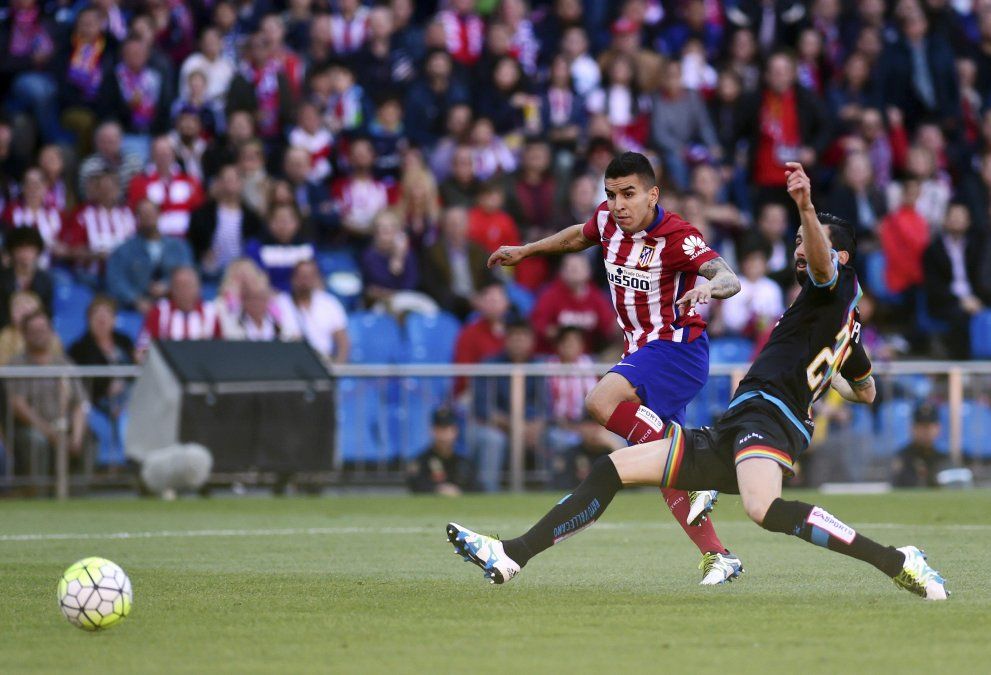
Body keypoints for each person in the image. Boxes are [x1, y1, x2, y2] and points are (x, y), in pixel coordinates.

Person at [448, 162, 949, 601]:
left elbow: (819, 267)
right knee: (611, 468)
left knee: (763, 509)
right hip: (738, 422)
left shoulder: (830, 288)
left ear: (840, 259)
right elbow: (867, 391)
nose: (800, 249)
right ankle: (512, 554)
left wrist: (805, 208)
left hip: (770, 419)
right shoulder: (846, 328)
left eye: (809, 242)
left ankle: (897, 560)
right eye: (797, 240)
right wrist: (830, 369)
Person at [485, 151, 743, 584]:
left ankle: (693, 464)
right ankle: (718, 555)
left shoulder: (677, 236)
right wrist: (527, 251)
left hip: (677, 348)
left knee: (600, 401)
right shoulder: (607, 221)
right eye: (611, 194)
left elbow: (729, 277)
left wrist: (709, 289)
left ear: (652, 195)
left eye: (628, 194)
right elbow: (576, 237)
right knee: (659, 466)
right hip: (641, 350)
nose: (618, 204)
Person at [8, 311, 89, 482]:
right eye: (34, 331)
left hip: (64, 426)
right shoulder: (16, 365)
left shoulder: (65, 363)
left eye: (43, 330)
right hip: (31, 428)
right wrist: (50, 433)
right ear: (24, 334)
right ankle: (39, 492)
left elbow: (80, 404)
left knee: (89, 438)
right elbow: (18, 405)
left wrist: (76, 437)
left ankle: (79, 494)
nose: (39, 335)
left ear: (51, 332)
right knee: (36, 441)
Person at [68, 296, 136, 469]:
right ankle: (106, 465)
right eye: (97, 315)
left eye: (107, 314)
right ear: (89, 319)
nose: (102, 319)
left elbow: (134, 373)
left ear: (114, 319)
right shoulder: (79, 348)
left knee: (131, 415)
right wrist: (105, 390)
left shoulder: (125, 341)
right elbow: (78, 384)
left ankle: (130, 463)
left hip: (126, 401)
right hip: (94, 401)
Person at [106, 200, 193, 313]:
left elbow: (188, 273)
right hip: (134, 310)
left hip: (174, 307)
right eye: (144, 214)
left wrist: (168, 286)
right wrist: (135, 300)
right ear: (137, 218)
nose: (148, 217)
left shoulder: (178, 247)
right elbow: (116, 281)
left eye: (151, 213)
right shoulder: (123, 251)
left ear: (159, 214)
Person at [274, 260, 349, 363]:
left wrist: (338, 366)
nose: (305, 281)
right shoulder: (279, 303)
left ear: (316, 278)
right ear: (293, 278)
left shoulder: (329, 303)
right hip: (289, 362)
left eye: (309, 276)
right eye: (302, 276)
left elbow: (343, 341)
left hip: (324, 362)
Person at [137, 266, 221, 353]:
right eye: (180, 287)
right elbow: (141, 350)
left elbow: (220, 350)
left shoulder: (210, 313)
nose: (184, 292)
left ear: (199, 288)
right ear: (172, 290)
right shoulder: (159, 312)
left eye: (189, 286)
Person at [407, 408, 476, 495]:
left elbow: (477, 488)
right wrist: (437, 490)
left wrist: (458, 491)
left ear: (455, 431)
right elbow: (415, 485)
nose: (444, 436)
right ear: (432, 431)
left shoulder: (464, 462)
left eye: (447, 430)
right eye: (439, 430)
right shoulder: (421, 461)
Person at [0, 226, 53, 328]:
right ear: (12, 251)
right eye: (21, 249)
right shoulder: (2, 279)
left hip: (35, 330)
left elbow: (48, 312)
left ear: (37, 251)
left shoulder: (45, 281)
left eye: (30, 249)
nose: (25, 254)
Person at [891, 403, 946, 488]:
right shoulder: (903, 457)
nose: (926, 431)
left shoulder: (943, 458)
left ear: (938, 428)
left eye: (929, 426)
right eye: (921, 426)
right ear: (913, 428)